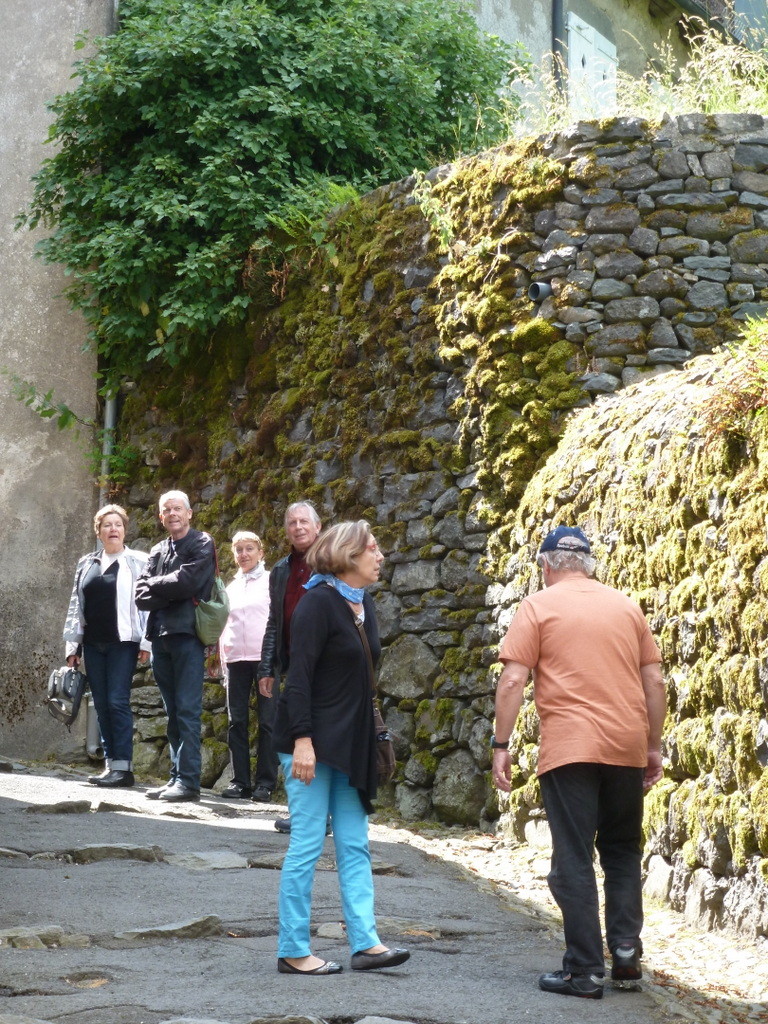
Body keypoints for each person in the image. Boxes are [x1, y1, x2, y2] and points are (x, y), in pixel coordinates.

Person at [493, 526, 666, 1000]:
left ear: (545, 566)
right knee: (623, 850)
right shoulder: (627, 607)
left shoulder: (537, 607)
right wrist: (652, 745)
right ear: (589, 564)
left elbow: (512, 682)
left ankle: (585, 971)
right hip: (626, 745)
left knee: (572, 856)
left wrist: (500, 744)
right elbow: (655, 683)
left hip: (570, 747)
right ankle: (627, 953)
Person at [272, 520, 410, 975]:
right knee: (307, 846)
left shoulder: (363, 603)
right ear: (349, 555)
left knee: (355, 845)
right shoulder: (316, 602)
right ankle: (293, 950)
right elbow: (299, 679)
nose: (381, 555)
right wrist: (303, 741)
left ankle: (366, 944)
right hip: (311, 743)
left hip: (351, 745)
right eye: (373, 548)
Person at [135, 490, 215, 802]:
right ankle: (175, 777)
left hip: (188, 636)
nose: (172, 514)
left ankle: (189, 782)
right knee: (171, 712)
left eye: (177, 508)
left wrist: (158, 585)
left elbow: (190, 582)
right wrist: (170, 586)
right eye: (166, 510)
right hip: (160, 637)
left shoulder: (201, 543)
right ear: (160, 517)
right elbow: (140, 596)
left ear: (189, 513)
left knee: (187, 710)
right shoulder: (156, 549)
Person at [63, 504, 150, 788]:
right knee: (100, 704)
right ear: (98, 532)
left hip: (123, 643)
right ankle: (111, 766)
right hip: (92, 644)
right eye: (107, 525)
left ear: (125, 530)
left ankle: (124, 769)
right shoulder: (86, 563)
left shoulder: (138, 562)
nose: (113, 529)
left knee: (116, 701)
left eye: (118, 525)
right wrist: (72, 646)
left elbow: (148, 606)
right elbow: (77, 604)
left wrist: (147, 640)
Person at [258, 500, 322, 831]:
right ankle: (303, 810)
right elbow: (274, 622)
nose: (297, 527)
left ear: (318, 527)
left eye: (303, 522)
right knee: (289, 736)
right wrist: (267, 666)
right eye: (292, 522)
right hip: (292, 663)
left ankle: (318, 815)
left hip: (325, 664)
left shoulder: (331, 564)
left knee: (318, 736)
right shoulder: (281, 570)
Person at [218, 531, 277, 801]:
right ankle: (239, 781)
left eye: (249, 548)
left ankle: (265, 783)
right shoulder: (229, 588)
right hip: (235, 660)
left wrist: (276, 658)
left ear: (261, 552)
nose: (243, 554)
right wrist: (221, 661)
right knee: (236, 721)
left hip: (264, 659)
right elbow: (222, 627)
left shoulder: (270, 582)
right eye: (239, 549)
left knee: (268, 722)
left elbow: (277, 622)